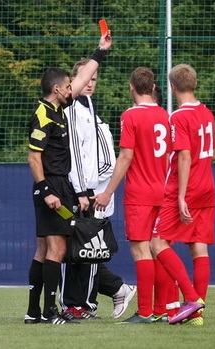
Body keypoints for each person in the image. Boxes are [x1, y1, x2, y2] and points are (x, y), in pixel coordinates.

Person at [24, 30, 112, 325]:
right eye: (67, 85)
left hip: (59, 185)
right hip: (52, 186)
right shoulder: (44, 113)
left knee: (43, 249)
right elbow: (34, 157)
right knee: (57, 249)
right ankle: (50, 312)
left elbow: (84, 75)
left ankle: (34, 312)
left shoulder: (60, 107)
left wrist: (100, 52)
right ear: (57, 88)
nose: (72, 88)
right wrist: (46, 190)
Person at [93, 67, 172, 324]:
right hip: (165, 191)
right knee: (158, 249)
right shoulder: (166, 116)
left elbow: (126, 156)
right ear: (152, 88)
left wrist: (107, 192)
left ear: (132, 87)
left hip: (140, 193)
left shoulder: (130, 116)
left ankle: (145, 311)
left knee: (141, 251)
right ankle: (161, 309)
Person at [59, 58, 136, 321]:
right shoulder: (72, 110)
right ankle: (108, 292)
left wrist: (98, 190)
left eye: (94, 79)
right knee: (78, 249)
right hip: (81, 191)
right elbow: (78, 157)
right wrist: (83, 189)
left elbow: (102, 160)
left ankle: (84, 304)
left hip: (93, 193)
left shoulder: (91, 111)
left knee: (86, 249)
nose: (90, 83)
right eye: (86, 78)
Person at [150, 63, 215, 326]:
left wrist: (180, 196)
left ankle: (191, 298)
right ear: (195, 84)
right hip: (207, 185)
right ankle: (197, 315)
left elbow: (185, 156)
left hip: (186, 188)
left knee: (158, 243)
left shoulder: (178, 116)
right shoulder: (207, 113)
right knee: (198, 248)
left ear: (173, 87)